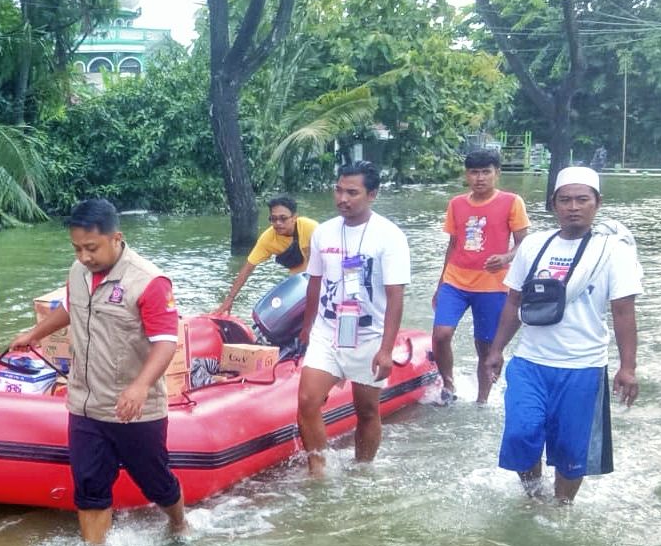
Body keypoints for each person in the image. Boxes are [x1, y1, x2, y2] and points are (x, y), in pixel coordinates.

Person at [11, 198, 188, 544]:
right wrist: (34, 333)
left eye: (91, 248)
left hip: (135, 409)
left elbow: (166, 341)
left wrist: (139, 387)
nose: (83, 257)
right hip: (85, 404)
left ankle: (179, 524)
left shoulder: (150, 282)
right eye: (77, 248)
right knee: (90, 486)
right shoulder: (78, 272)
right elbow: (70, 307)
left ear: (116, 237)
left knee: (156, 483)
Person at [482, 166, 641, 504]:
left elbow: (624, 312)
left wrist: (627, 368)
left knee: (571, 448)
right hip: (530, 362)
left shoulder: (613, 252)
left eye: (582, 199)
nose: (573, 207)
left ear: (597, 203)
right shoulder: (533, 246)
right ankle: (533, 496)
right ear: (553, 204)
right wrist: (496, 350)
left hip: (582, 366)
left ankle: (562, 506)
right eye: (565, 200)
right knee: (522, 433)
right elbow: (514, 302)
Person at [296, 162, 411, 475]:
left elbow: (396, 297)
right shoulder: (323, 232)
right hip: (327, 331)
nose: (342, 198)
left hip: (369, 336)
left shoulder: (390, 236)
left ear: (371, 195)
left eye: (352, 192)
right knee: (307, 401)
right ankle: (319, 469)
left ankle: (362, 469)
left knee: (367, 410)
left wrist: (386, 349)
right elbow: (315, 283)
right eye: (338, 190)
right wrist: (307, 328)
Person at [431, 149, 530, 404]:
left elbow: (524, 244)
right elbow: (453, 245)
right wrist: (441, 283)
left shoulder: (511, 201)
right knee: (441, 334)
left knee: (485, 346)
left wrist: (506, 257)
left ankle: (482, 401)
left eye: (486, 172)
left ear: (497, 173)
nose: (480, 178)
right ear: (467, 175)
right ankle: (449, 384)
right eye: (474, 172)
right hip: (456, 281)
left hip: (493, 285)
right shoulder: (456, 204)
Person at [216, 195, 319, 315]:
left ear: (294, 217)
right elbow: (247, 268)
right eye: (273, 219)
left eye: (283, 218)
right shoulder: (267, 239)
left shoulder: (311, 228)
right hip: (298, 284)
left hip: (319, 279)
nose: (278, 223)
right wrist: (229, 300)